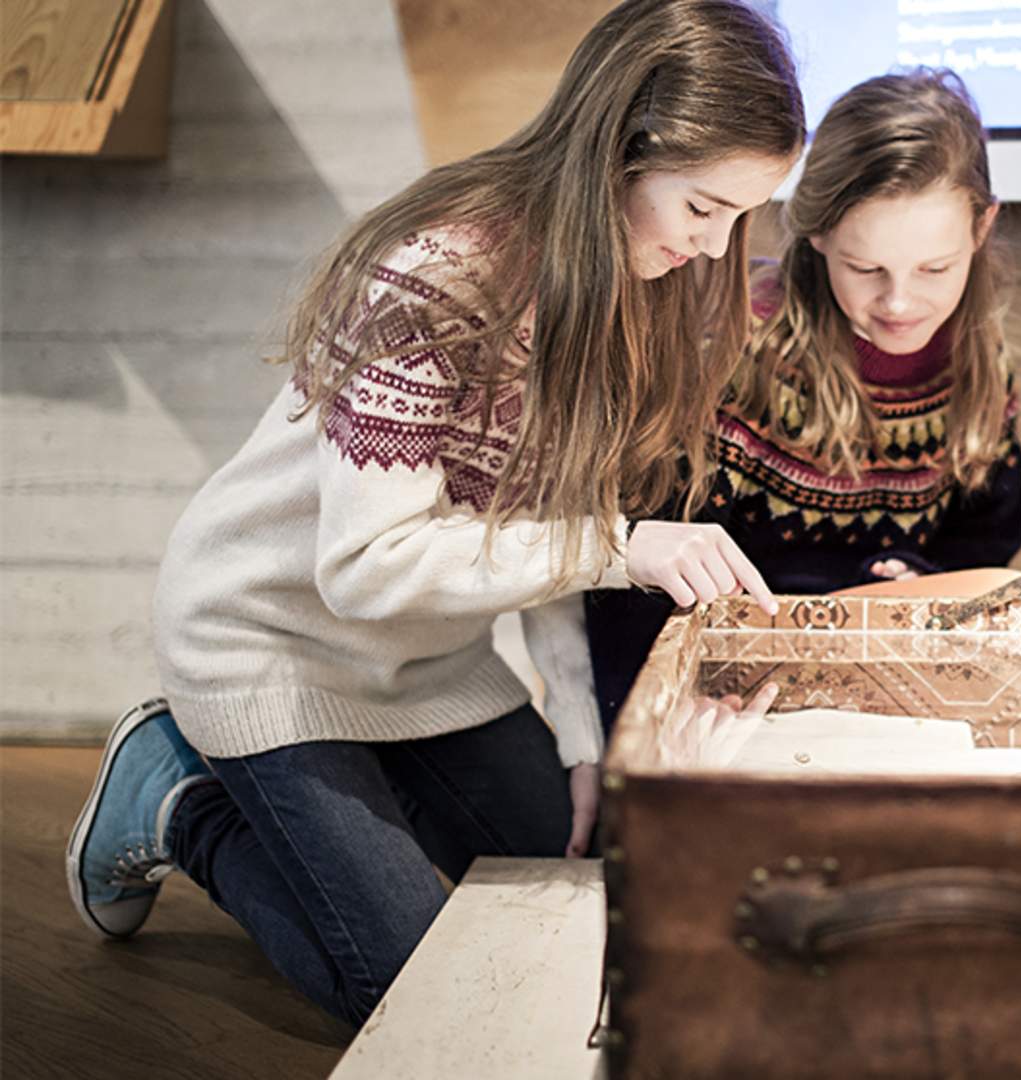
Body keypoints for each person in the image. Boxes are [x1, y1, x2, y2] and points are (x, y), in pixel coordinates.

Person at [65, 0, 803, 1028]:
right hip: (268, 644)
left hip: (424, 657)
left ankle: (343, 807)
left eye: (742, 216)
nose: (718, 248)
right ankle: (175, 798)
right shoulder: (436, 278)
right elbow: (364, 568)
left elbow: (554, 530)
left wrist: (581, 736)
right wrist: (624, 548)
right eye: (703, 208)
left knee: (562, 883)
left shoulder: (638, 283)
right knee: (414, 990)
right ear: (616, 155)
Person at [585, 68, 1021, 728]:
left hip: (883, 696)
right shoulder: (731, 351)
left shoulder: (979, 361)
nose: (901, 303)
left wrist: (920, 579)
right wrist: (634, 725)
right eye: (865, 268)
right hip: (723, 702)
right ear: (815, 234)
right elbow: (633, 569)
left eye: (935, 269)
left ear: (982, 229)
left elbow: (985, 547)